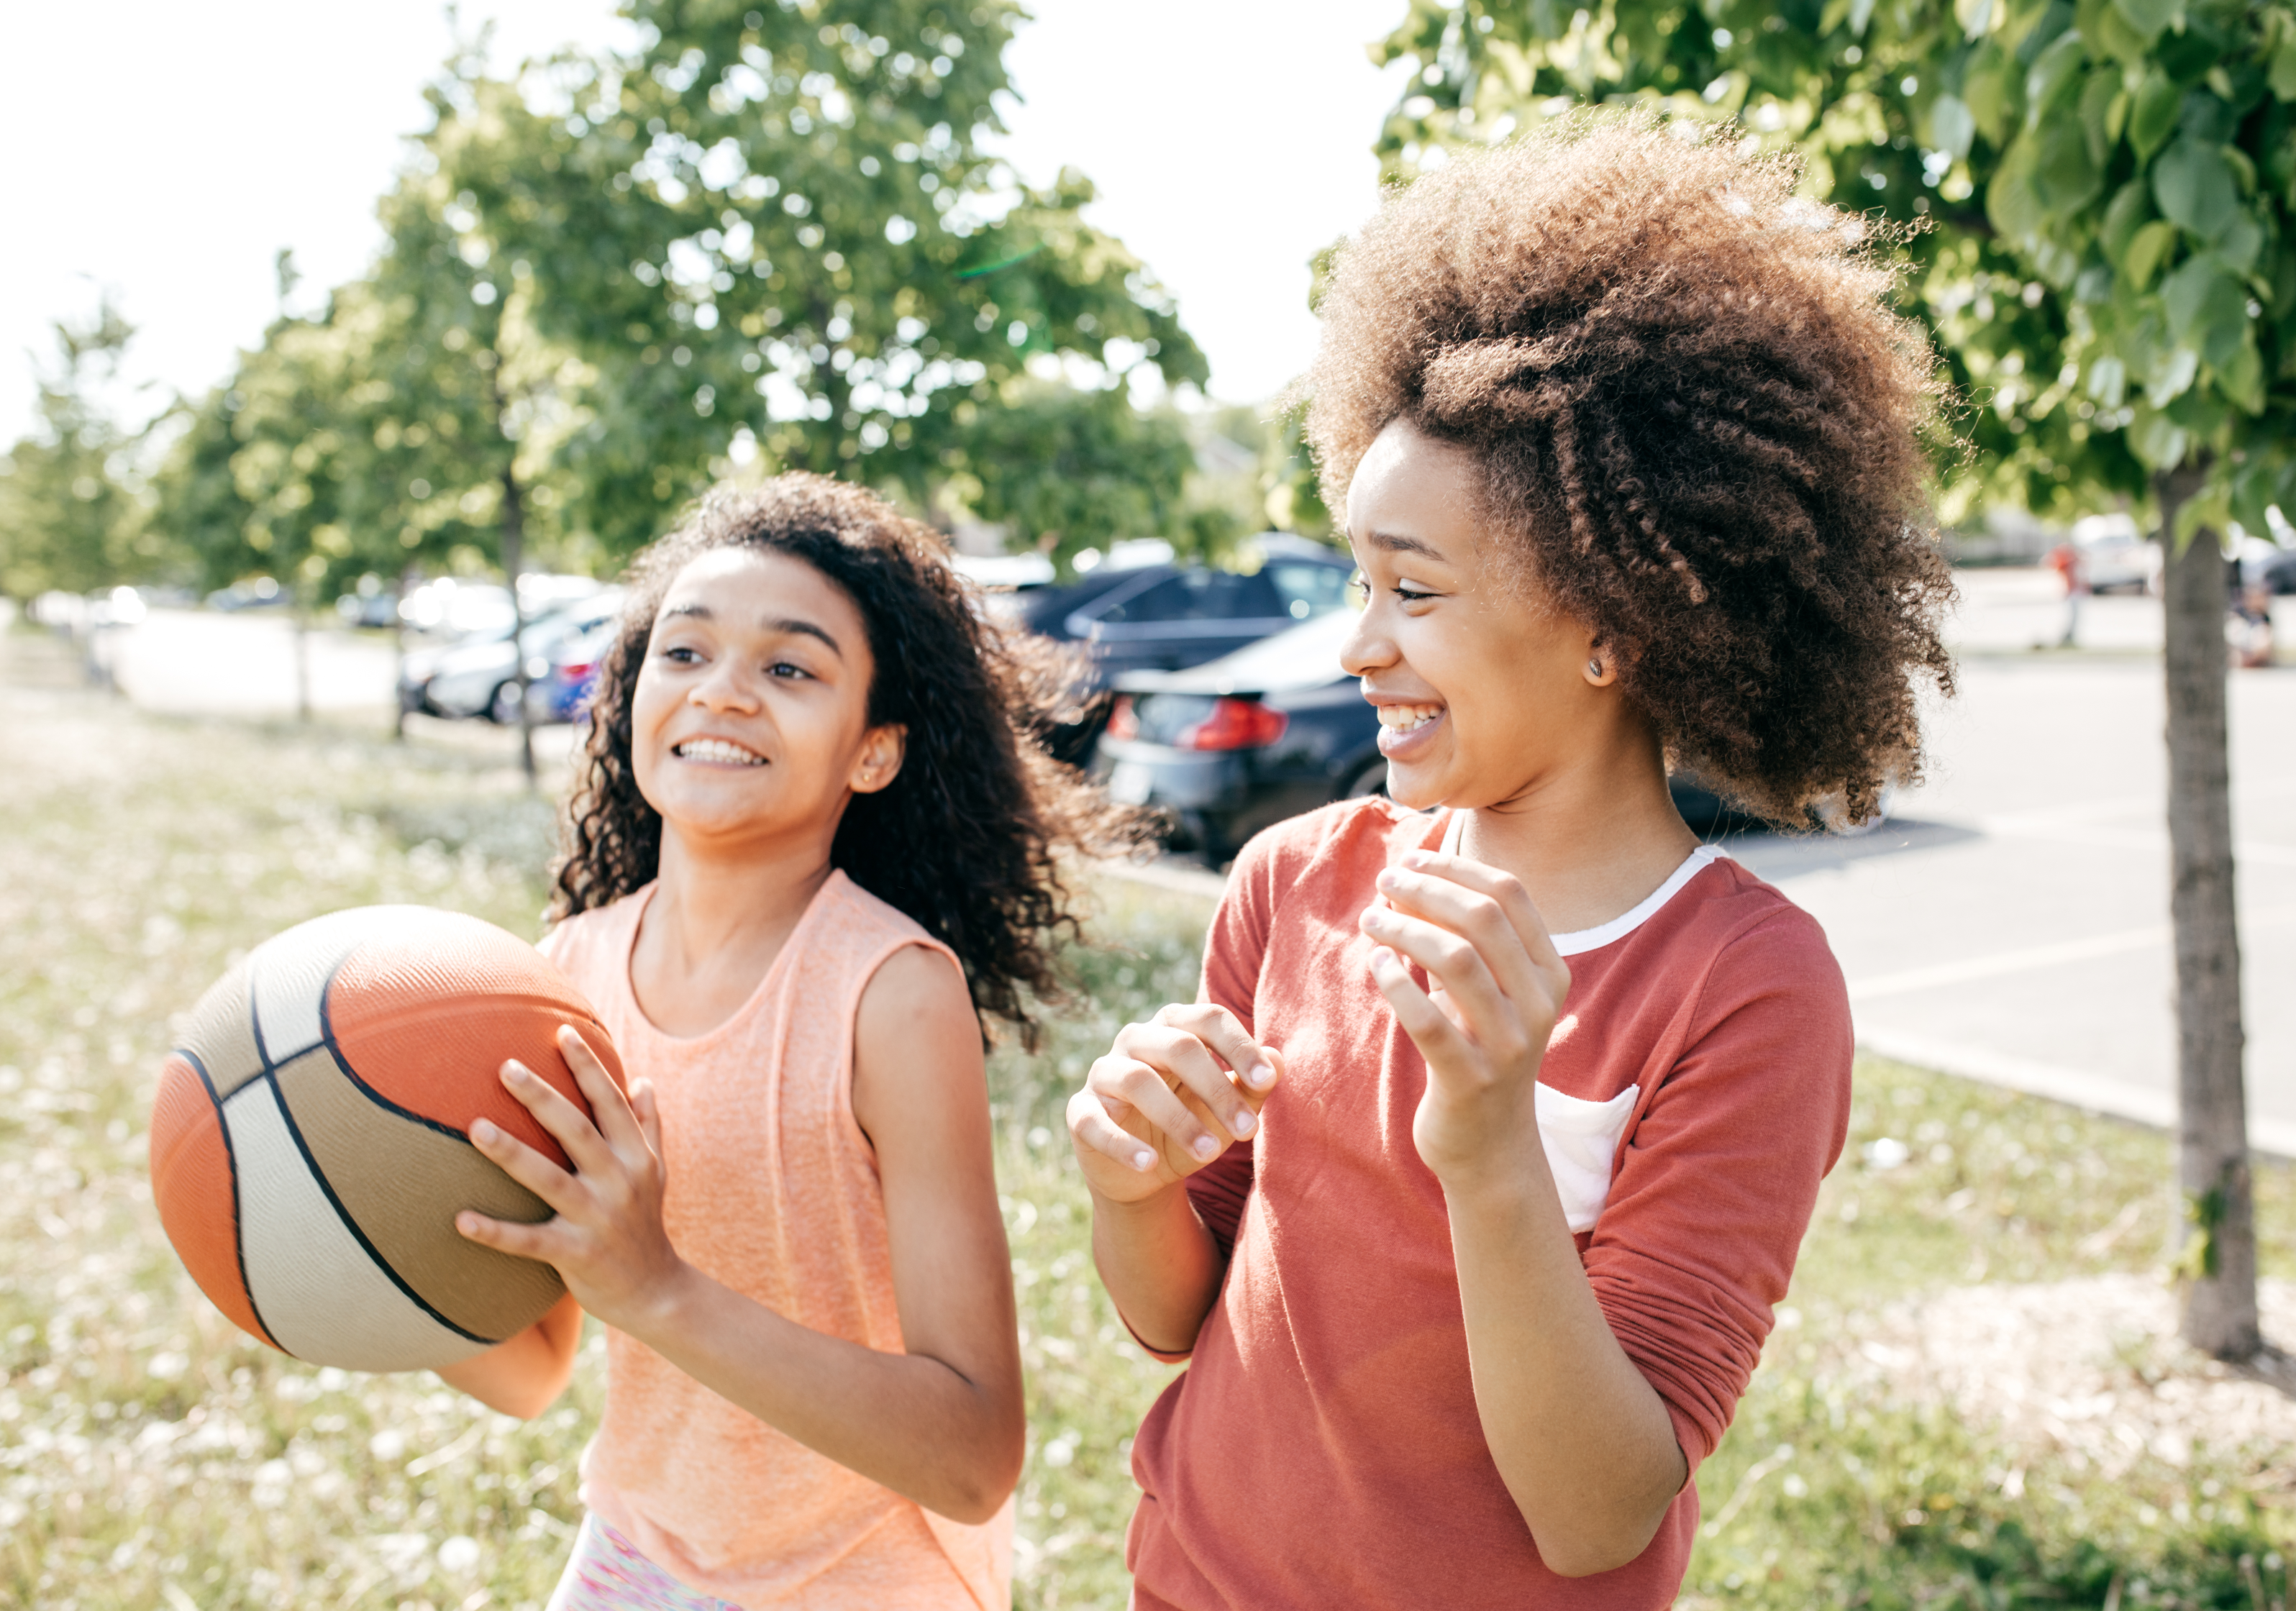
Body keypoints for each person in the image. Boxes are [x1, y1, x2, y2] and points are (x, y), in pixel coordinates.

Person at [1065, 114, 1955, 1610]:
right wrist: (1123, 1177)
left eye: (1412, 589)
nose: (1358, 644)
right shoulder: (1295, 879)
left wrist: (1486, 1149)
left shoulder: (1742, 986)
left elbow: (1600, 1509)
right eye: (1360, 578)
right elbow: (1180, 1310)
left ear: (1617, 624)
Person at [434, 473, 1124, 1610]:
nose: (724, 695)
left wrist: (656, 1288)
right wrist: (339, 1248)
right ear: (631, 691)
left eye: (790, 668)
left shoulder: (890, 996)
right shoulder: (565, 971)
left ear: (874, 751)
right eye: (685, 653)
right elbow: (531, 1371)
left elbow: (972, 1453)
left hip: (863, 1581)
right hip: (636, 1558)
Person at [2046, 538, 2085, 647]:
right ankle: (2065, 637)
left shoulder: (2074, 562)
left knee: (2074, 616)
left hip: (2074, 592)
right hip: (2068, 592)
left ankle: (2070, 637)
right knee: (2068, 616)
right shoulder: (2065, 563)